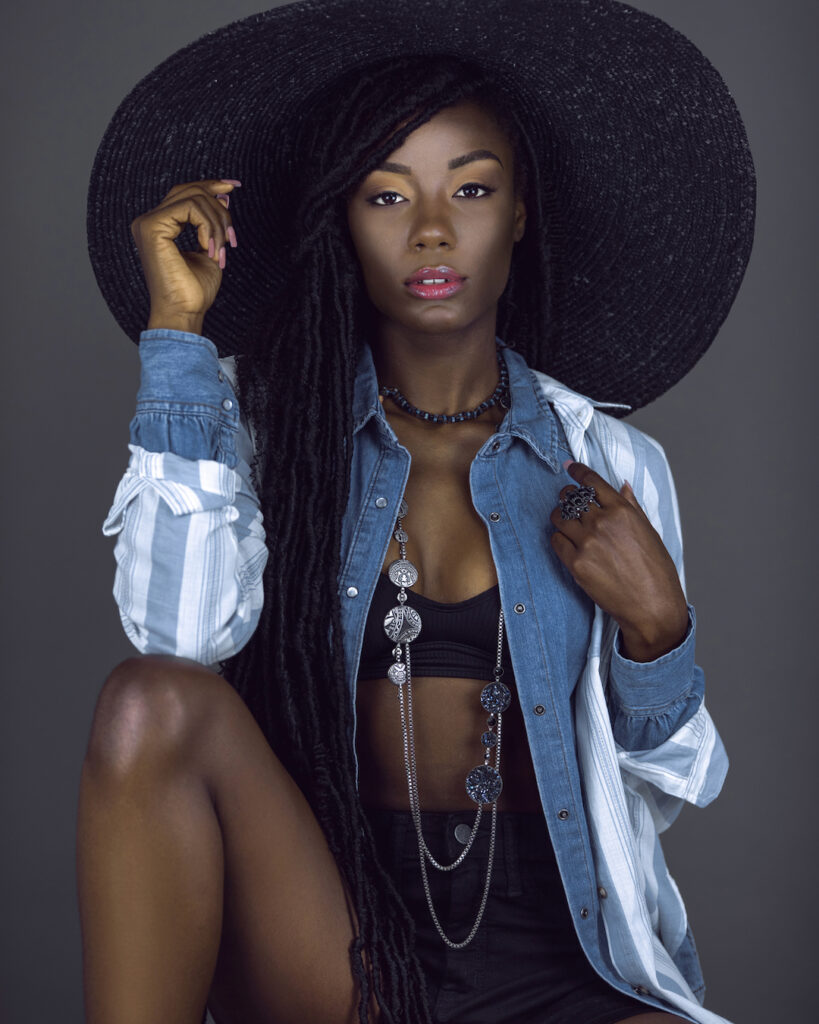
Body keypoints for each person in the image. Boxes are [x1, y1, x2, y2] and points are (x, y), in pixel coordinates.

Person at [80, 3, 755, 1023]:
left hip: (556, 960)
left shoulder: (608, 463)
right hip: (337, 943)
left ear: (519, 211)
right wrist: (178, 336)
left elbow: (666, 786)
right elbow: (175, 641)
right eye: (386, 194)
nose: (432, 229)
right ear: (342, 221)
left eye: (471, 188)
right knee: (148, 701)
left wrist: (659, 632)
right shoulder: (269, 433)